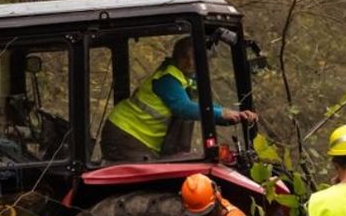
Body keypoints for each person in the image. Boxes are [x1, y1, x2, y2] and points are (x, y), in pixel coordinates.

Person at [101, 36, 257, 161]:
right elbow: (184, 108)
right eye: (184, 57)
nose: (189, 62)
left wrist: (231, 115)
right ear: (175, 57)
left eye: (194, 58)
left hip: (136, 139)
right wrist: (221, 113)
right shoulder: (167, 79)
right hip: (126, 136)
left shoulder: (187, 80)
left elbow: (199, 106)